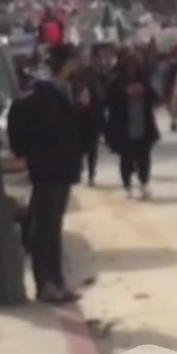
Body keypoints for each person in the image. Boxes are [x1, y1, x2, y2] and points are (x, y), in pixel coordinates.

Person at [7, 43, 82, 304]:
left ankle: (57, 280)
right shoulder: (42, 94)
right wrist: (29, 156)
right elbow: (19, 121)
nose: (76, 66)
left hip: (62, 169)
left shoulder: (66, 91)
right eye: (72, 61)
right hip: (48, 169)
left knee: (54, 227)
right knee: (43, 228)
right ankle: (45, 284)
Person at [104, 51, 160, 199]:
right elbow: (108, 101)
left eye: (134, 65)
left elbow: (156, 99)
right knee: (126, 157)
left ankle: (143, 183)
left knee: (144, 157)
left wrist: (144, 92)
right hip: (123, 126)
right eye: (128, 65)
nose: (131, 68)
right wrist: (125, 94)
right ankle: (127, 184)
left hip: (142, 124)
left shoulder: (144, 81)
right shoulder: (116, 81)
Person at [73, 55, 105, 186]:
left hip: (91, 122)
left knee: (92, 150)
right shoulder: (73, 87)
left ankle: (91, 174)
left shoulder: (94, 87)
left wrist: (100, 122)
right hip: (79, 122)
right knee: (79, 150)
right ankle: (80, 171)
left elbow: (100, 103)